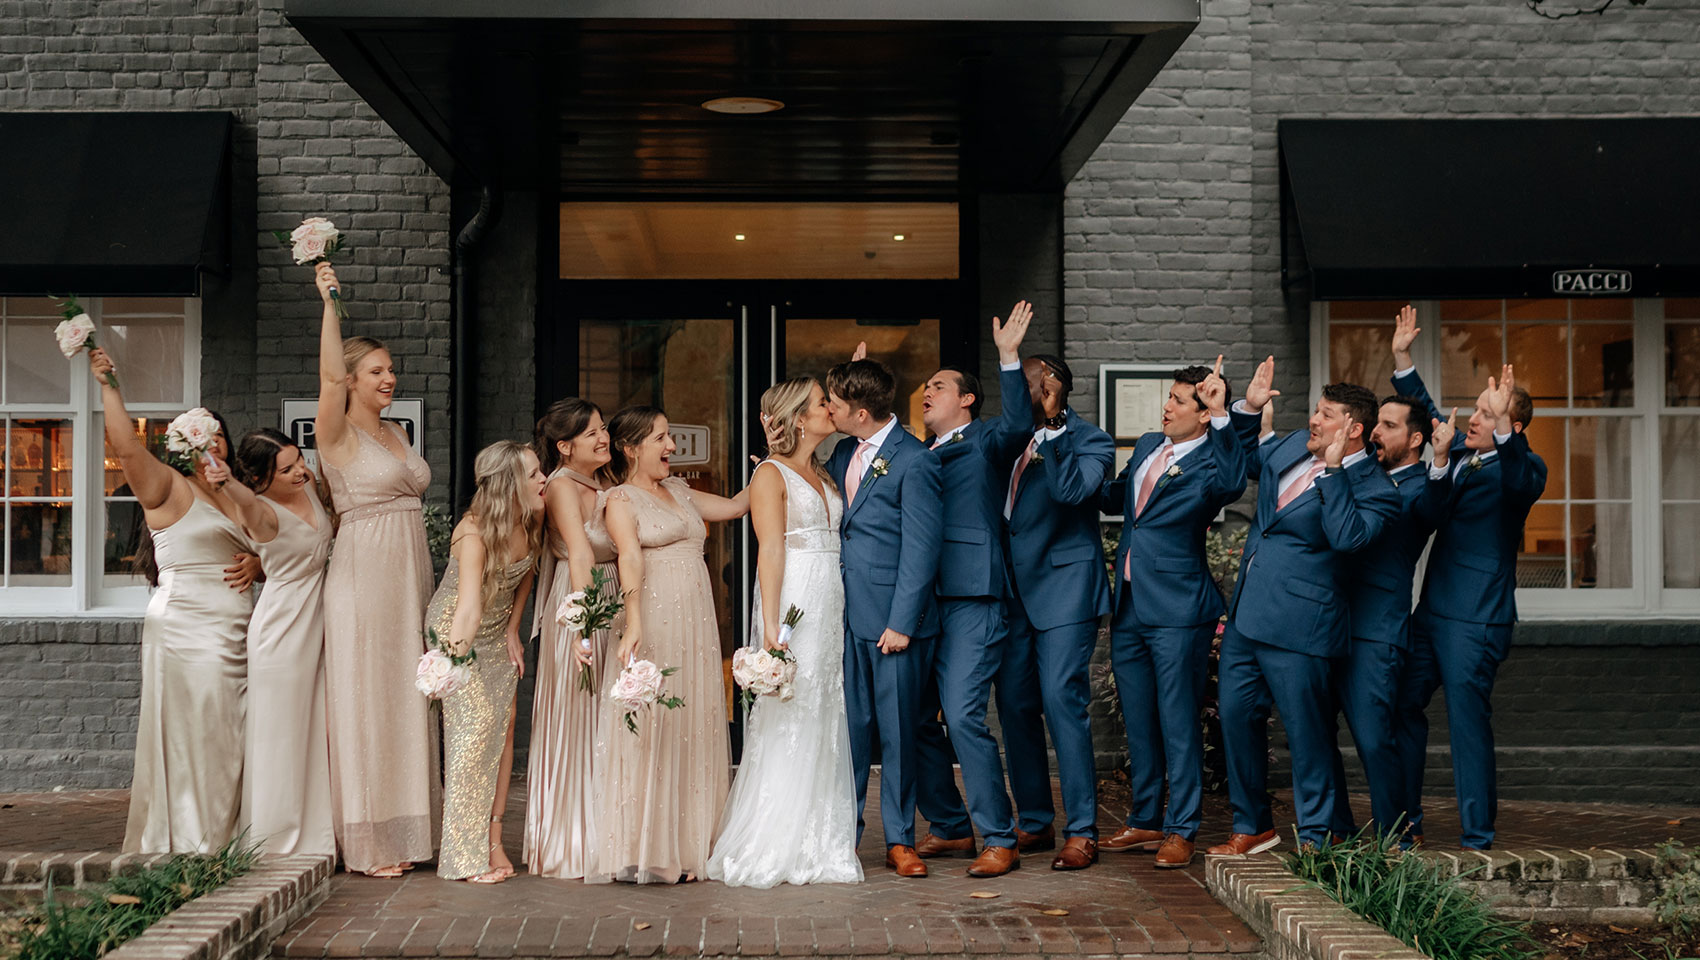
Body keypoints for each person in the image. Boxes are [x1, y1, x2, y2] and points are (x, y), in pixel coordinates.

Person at [1210, 363, 1399, 855]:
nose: (1314, 420)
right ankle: (1253, 826)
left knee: (1307, 735)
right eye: (1317, 410)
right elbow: (1250, 460)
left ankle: (1316, 837)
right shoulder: (1295, 444)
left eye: (1326, 414)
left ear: (1353, 429)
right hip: (1247, 616)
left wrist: (1334, 472)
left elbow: (1346, 537)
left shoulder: (1377, 490)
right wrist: (1247, 409)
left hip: (1302, 627)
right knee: (1235, 718)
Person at [1387, 306, 1547, 850]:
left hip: (1476, 620)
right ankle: (1405, 825)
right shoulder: (1458, 453)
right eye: (1478, 410)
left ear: (1511, 425)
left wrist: (1504, 427)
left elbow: (1522, 478)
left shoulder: (1521, 469)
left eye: (1487, 412)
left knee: (1466, 724)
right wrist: (1402, 358)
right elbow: (1431, 416)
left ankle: (1477, 836)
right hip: (1430, 614)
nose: (1474, 418)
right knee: (1400, 703)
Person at [92, 347, 253, 854]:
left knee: (236, 733)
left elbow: (279, 542)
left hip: (242, 626)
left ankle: (232, 837)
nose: (215, 444)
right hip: (187, 624)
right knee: (197, 734)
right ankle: (192, 841)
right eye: (202, 435)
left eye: (220, 434)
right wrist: (109, 385)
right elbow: (125, 448)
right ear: (180, 445)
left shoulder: (236, 492)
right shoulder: (166, 486)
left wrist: (261, 563)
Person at [707, 378, 863, 888]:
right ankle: (777, 837)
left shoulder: (821, 470)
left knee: (823, 706)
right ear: (799, 417)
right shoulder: (769, 474)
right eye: (823, 402)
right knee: (791, 708)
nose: (830, 409)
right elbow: (770, 550)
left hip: (830, 598)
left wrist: (853, 377)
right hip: (795, 599)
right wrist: (770, 626)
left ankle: (820, 837)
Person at [587, 406, 749, 884]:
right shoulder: (619, 499)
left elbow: (738, 506)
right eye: (661, 438)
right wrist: (633, 623)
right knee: (655, 726)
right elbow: (629, 558)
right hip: (654, 617)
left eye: (671, 437)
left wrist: (776, 459)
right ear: (631, 447)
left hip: (696, 622)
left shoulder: (678, 490)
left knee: (692, 723)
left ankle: (690, 844)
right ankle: (648, 847)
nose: (672, 447)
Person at [311, 262, 437, 877]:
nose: (390, 378)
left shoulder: (394, 432)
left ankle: (407, 829)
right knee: (367, 700)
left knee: (404, 698)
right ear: (353, 381)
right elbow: (329, 374)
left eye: (391, 371)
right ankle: (367, 842)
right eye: (378, 372)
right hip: (364, 578)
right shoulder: (335, 436)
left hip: (408, 577)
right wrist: (330, 303)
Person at [1095, 359, 1244, 870]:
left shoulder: (1213, 462)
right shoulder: (1144, 447)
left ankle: (1182, 828)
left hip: (1180, 609)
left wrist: (1226, 413)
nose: (1167, 406)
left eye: (1180, 401)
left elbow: (1233, 480)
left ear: (1203, 415)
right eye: (1170, 397)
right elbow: (1118, 498)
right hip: (1130, 606)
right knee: (1140, 720)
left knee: (1177, 720)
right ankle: (1145, 820)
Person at [908, 303, 1039, 879]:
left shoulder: (986, 439)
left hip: (972, 598)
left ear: (966, 400)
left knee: (962, 716)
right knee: (913, 718)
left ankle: (999, 837)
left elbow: (1019, 426)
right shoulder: (913, 454)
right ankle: (952, 826)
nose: (927, 391)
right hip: (916, 600)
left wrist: (1009, 357)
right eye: (925, 386)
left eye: (939, 385)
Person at [823, 358, 943, 879]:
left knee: (896, 735)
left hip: (893, 625)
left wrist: (902, 622)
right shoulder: (844, 449)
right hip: (843, 616)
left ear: (862, 411)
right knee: (849, 731)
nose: (828, 408)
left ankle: (900, 840)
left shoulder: (915, 461)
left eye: (835, 402)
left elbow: (922, 548)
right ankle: (844, 836)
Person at [995, 348, 1114, 870]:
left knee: (1061, 700)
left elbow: (1071, 492)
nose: (1027, 393)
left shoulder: (1091, 440)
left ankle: (1082, 829)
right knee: (1015, 706)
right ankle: (1036, 822)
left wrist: (1054, 427)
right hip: (1009, 592)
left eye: (1035, 383)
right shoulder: (1003, 438)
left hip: (1065, 588)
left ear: (1057, 386)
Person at [1327, 393, 1453, 841]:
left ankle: (1396, 833)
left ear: (1416, 439)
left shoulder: (1421, 487)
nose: (1376, 432)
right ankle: (1335, 828)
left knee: (1375, 737)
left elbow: (1433, 510)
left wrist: (1440, 462)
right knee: (1322, 733)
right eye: (1375, 423)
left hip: (1377, 629)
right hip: (1330, 622)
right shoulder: (1365, 474)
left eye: (1389, 425)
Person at [429, 441, 544, 882]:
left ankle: (493, 842)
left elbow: (527, 574)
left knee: (505, 726)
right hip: (459, 631)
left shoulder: (532, 516)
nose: (542, 479)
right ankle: (462, 856)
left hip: (498, 631)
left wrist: (515, 628)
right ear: (510, 484)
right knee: (474, 736)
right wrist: (451, 666)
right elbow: (467, 609)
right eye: (533, 474)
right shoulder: (473, 532)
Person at [223, 428, 337, 858]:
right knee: (280, 736)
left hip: (318, 621)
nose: (299, 472)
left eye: (299, 460)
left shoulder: (312, 490)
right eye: (286, 469)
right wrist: (224, 479)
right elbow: (244, 501)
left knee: (314, 731)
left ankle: (317, 835)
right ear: (260, 479)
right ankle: (273, 841)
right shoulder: (261, 511)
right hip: (281, 631)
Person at [525, 399, 617, 879]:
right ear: (565, 446)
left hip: (611, 593)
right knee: (579, 713)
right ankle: (575, 838)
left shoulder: (605, 481)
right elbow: (579, 554)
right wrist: (584, 622)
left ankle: (611, 828)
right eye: (592, 433)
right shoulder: (561, 486)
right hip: (582, 598)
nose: (603, 438)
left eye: (603, 429)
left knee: (607, 713)